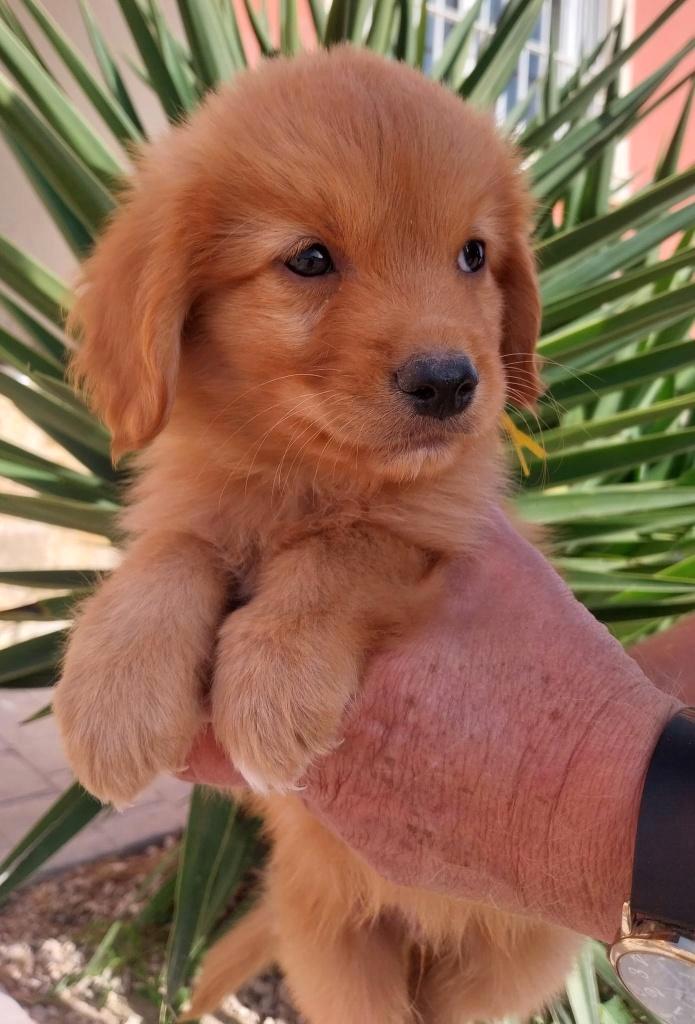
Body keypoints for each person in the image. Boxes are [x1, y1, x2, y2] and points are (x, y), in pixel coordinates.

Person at [181, 509, 694, 943]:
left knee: (485, 988)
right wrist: (602, 719)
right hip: (339, 892)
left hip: (534, 920)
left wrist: (583, 801)